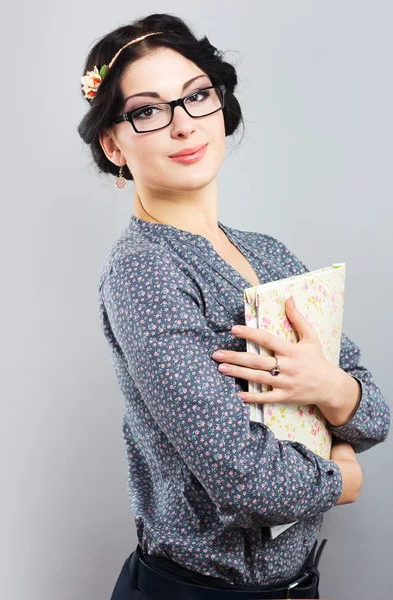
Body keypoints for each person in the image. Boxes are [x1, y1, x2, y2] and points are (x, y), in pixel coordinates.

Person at [77, 13, 390, 600]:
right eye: (148, 110)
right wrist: (342, 478)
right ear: (113, 143)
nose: (183, 126)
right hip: (199, 590)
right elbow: (242, 476)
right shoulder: (145, 268)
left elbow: (373, 414)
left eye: (197, 96)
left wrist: (330, 387)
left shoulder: (269, 253)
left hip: (296, 585)